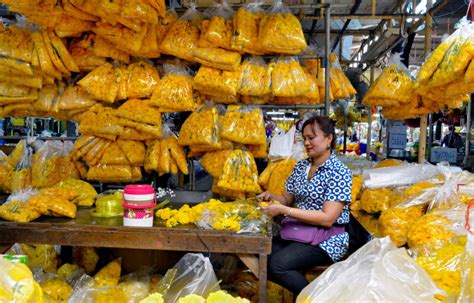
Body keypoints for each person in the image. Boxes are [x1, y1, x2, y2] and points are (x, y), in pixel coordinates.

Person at [257, 116, 352, 295]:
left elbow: (327, 219)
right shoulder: (301, 167)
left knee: (278, 265)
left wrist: (285, 211)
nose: (307, 143)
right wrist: (272, 197)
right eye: (305, 138)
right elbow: (286, 198)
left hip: (327, 239)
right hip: (298, 232)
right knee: (260, 253)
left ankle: (318, 299)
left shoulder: (339, 172)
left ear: (328, 138)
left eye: (312, 138)